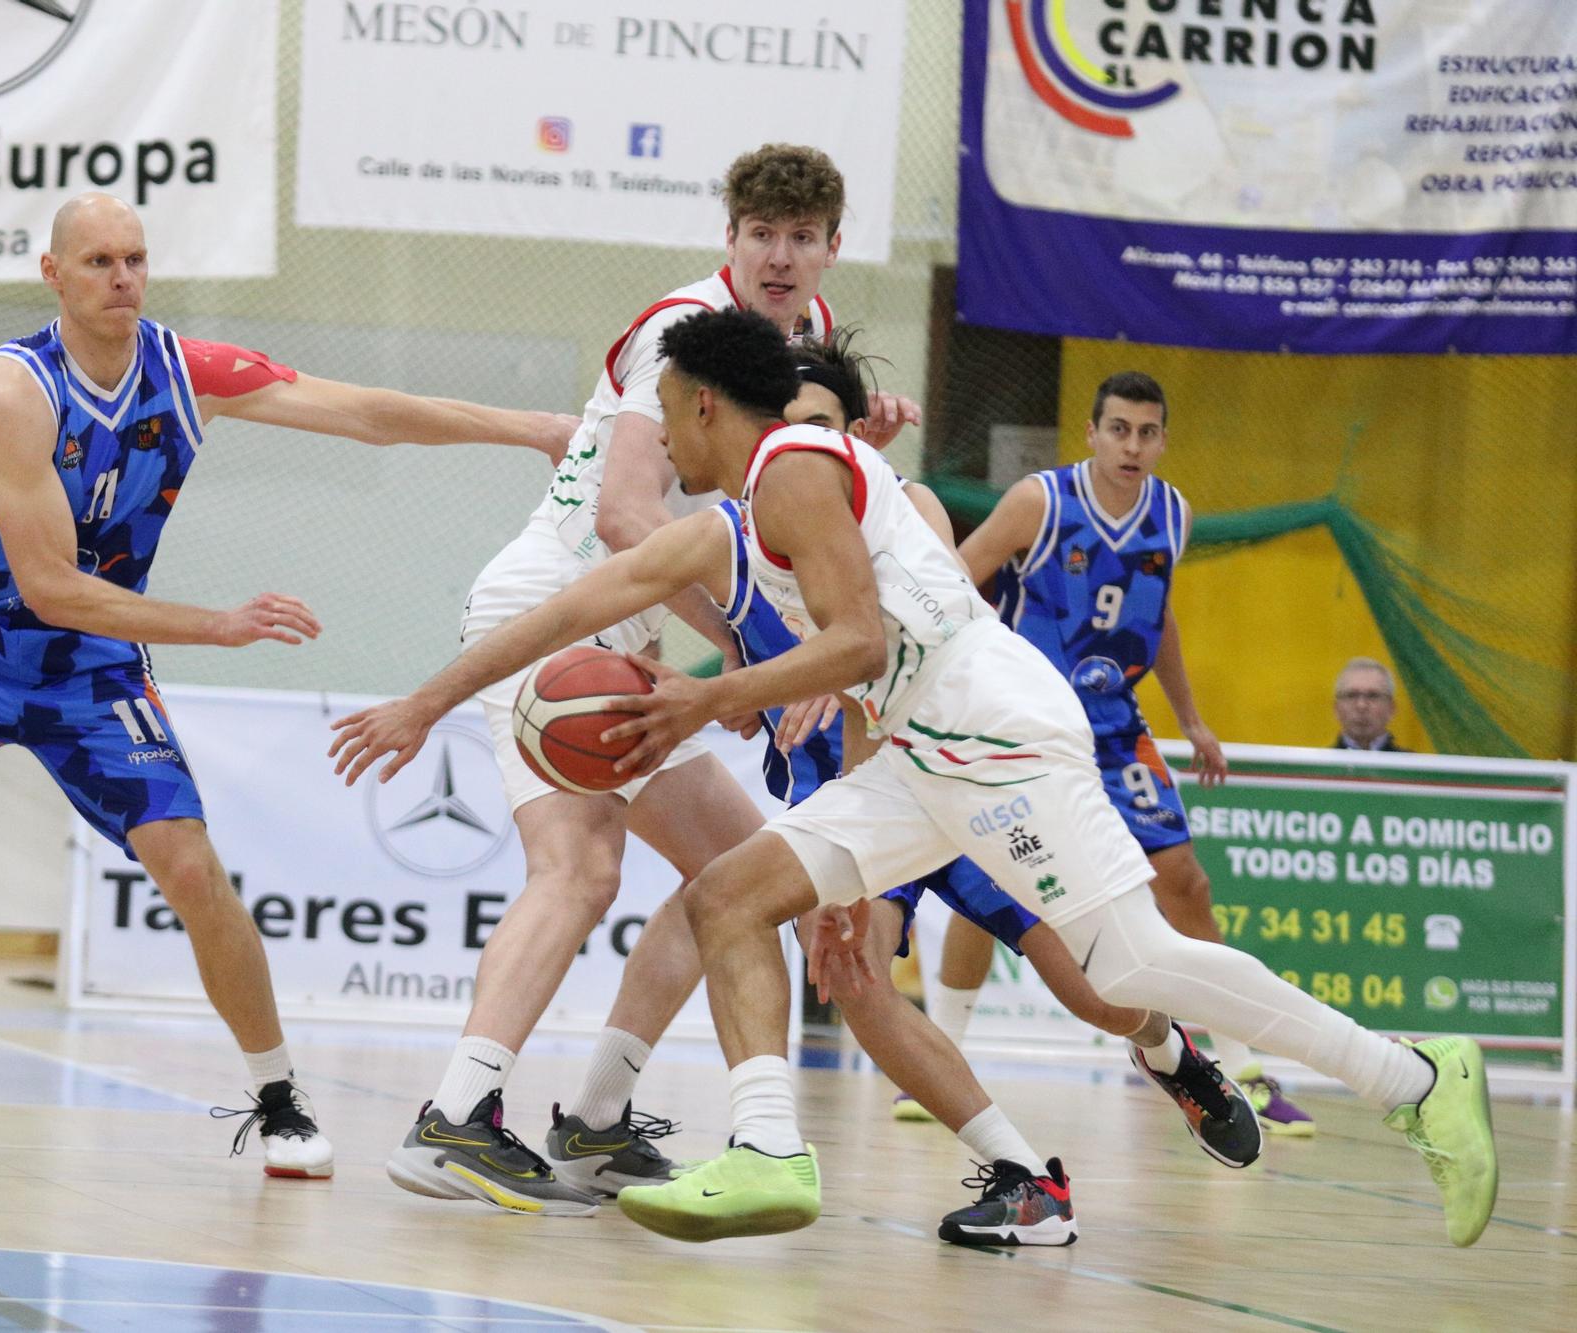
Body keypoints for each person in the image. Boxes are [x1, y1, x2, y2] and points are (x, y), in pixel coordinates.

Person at [327, 308, 1497, 1250]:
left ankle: (1406, 1074)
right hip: (913, 759)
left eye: (660, 422)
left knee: (1126, 962)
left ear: (695, 403)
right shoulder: (722, 523)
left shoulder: (792, 464)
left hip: (993, 732)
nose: (656, 451)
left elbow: (857, 646)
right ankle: (768, 1149)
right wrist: (424, 702)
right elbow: (572, 607)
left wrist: (704, 698)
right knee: (726, 898)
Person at [0, 193, 576, 1181]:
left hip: (89, 675)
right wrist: (211, 626)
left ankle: (277, 1098)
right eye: (97, 261)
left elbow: (365, 414)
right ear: (53, 274)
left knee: (190, 870)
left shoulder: (186, 371)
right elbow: (50, 587)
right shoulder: (16, 391)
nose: (122, 277)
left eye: (134, 258)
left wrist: (530, 427)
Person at [373, 144, 917, 1217]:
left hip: (629, 629)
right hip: (553, 610)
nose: (778, 254)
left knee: (732, 876)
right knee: (575, 869)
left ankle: (595, 1122)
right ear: (729, 239)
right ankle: (454, 1116)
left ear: (829, 248)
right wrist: (762, 645)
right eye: (759, 233)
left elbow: (783, 493)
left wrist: (860, 429)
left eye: (799, 237)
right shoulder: (681, 331)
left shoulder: (799, 338)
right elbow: (627, 513)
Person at [749, 335, 1259, 1244]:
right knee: (861, 974)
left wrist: (849, 657)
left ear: (858, 433)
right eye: (786, 428)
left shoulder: (907, 511)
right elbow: (709, 627)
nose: (803, 445)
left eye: (822, 425)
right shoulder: (744, 525)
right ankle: (1021, 1173)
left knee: (1093, 977)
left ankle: (1176, 1051)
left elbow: (940, 612)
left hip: (968, 760)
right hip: (862, 787)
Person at [911, 371, 1313, 1137]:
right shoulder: (1040, 500)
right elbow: (954, 576)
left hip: (1113, 722)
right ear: (1092, 433)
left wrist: (1191, 719)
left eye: (1147, 431)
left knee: (1185, 880)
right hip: (1023, 716)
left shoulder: (1173, 514)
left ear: (1162, 439)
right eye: (1119, 428)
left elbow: (1156, 620)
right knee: (993, 878)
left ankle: (1243, 1068)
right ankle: (944, 1055)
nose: (1132, 444)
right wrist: (961, 677)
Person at [1332, 657, 1408, 751]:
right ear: (1336, 708)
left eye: (1373, 696)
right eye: (1351, 695)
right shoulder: (1318, 764)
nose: (1361, 705)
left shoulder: (1416, 764)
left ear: (1391, 708)